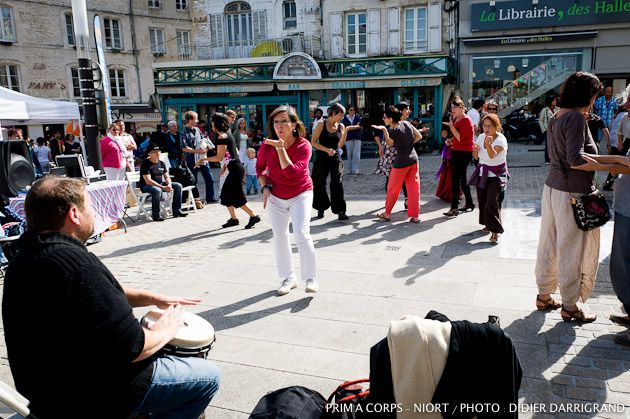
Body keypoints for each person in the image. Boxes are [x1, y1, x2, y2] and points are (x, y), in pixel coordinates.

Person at [2, 176, 220, 418]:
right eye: (91, 207)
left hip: (47, 390)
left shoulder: (26, 259)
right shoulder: (75, 264)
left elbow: (98, 292)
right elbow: (133, 347)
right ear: (74, 214)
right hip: (88, 395)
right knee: (207, 377)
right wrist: (167, 329)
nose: (94, 214)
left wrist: (152, 297)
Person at [534, 71, 629, 323]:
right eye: (596, 93)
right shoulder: (575, 117)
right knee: (571, 249)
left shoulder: (557, 115)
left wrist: (616, 160)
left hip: (552, 189)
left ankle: (544, 294)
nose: (596, 98)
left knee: (549, 243)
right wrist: (614, 164)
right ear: (587, 94)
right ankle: (570, 305)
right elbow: (575, 159)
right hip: (572, 192)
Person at [256, 106, 318, 295]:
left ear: (293, 124)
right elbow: (260, 169)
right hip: (276, 196)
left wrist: (281, 149)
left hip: (301, 193)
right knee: (280, 236)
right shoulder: (267, 145)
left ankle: (310, 278)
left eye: (284, 121)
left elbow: (290, 172)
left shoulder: (303, 145)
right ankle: (288, 278)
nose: (280, 126)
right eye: (276, 122)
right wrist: (265, 186)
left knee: (301, 232)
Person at [196, 113, 261, 229]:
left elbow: (219, 157)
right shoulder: (227, 133)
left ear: (216, 123)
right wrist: (224, 167)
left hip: (235, 169)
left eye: (212, 121)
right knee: (226, 195)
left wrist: (203, 159)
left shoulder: (222, 137)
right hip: (234, 167)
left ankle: (253, 216)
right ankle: (234, 219)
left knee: (237, 196)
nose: (211, 123)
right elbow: (230, 154)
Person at [372, 105, 422, 223]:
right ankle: (415, 216)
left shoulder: (392, 131)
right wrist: (408, 145)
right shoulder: (407, 123)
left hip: (401, 162)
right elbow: (419, 136)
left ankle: (387, 213)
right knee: (414, 189)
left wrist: (384, 130)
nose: (383, 119)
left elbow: (389, 144)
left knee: (392, 188)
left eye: (385, 117)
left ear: (390, 119)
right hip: (413, 159)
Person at [469, 114, 509, 243]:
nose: (486, 129)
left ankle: (495, 231)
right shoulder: (481, 137)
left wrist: (488, 145)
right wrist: (474, 150)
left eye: (489, 126)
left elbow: (492, 156)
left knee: (492, 201)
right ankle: (487, 223)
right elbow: (476, 157)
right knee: (482, 200)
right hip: (483, 172)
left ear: (496, 126)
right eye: (484, 126)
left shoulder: (500, 140)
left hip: (497, 175)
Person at [311, 103, 349, 220]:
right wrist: (327, 150)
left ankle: (340, 211)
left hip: (335, 157)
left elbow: (340, 145)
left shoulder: (341, 126)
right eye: (340, 115)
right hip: (322, 157)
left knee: (337, 182)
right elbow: (313, 142)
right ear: (333, 113)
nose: (342, 117)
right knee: (319, 182)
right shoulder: (321, 124)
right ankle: (320, 207)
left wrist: (344, 134)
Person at [443, 97, 475, 217]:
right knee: (461, 179)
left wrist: (451, 128)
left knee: (456, 179)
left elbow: (461, 138)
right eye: (451, 108)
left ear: (462, 108)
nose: (452, 110)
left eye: (454, 107)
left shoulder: (466, 120)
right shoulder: (457, 119)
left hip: (464, 153)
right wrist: (450, 140)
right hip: (456, 151)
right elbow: (458, 138)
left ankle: (454, 207)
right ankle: (470, 203)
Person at [139, 145, 188, 221]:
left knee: (178, 186)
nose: (157, 153)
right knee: (157, 190)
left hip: (159, 184)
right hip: (146, 186)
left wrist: (169, 185)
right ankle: (156, 215)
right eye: (154, 152)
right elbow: (148, 181)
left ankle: (177, 211)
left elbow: (167, 177)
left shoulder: (161, 163)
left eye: (158, 151)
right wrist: (163, 187)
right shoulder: (145, 164)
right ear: (149, 154)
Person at [182, 111, 217, 204]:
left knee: (209, 178)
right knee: (193, 180)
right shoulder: (184, 131)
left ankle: (210, 198)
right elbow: (184, 148)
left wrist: (207, 147)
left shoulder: (197, 130)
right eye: (195, 119)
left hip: (202, 158)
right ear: (189, 120)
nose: (197, 121)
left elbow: (204, 140)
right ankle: (195, 200)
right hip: (191, 160)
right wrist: (197, 151)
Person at [435, 127, 457, 202]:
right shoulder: (446, 140)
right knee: (446, 177)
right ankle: (445, 193)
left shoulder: (452, 139)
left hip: (451, 161)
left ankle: (450, 194)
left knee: (450, 178)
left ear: (447, 132)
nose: (441, 133)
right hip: (447, 161)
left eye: (443, 131)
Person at [342, 106, 363, 175]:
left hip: (357, 137)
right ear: (348, 110)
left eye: (354, 110)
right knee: (349, 154)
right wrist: (354, 127)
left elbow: (359, 126)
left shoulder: (357, 117)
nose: (352, 111)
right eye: (351, 110)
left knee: (356, 154)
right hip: (348, 138)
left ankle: (355, 170)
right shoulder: (345, 118)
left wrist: (349, 128)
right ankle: (350, 169)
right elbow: (344, 128)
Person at [539, 95, 558, 164]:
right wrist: (544, 129)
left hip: (556, 130)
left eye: (556, 100)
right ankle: (547, 159)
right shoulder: (545, 110)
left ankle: (555, 159)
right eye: (554, 100)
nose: (555, 102)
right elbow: (541, 120)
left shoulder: (558, 109)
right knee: (548, 144)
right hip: (548, 130)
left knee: (556, 144)